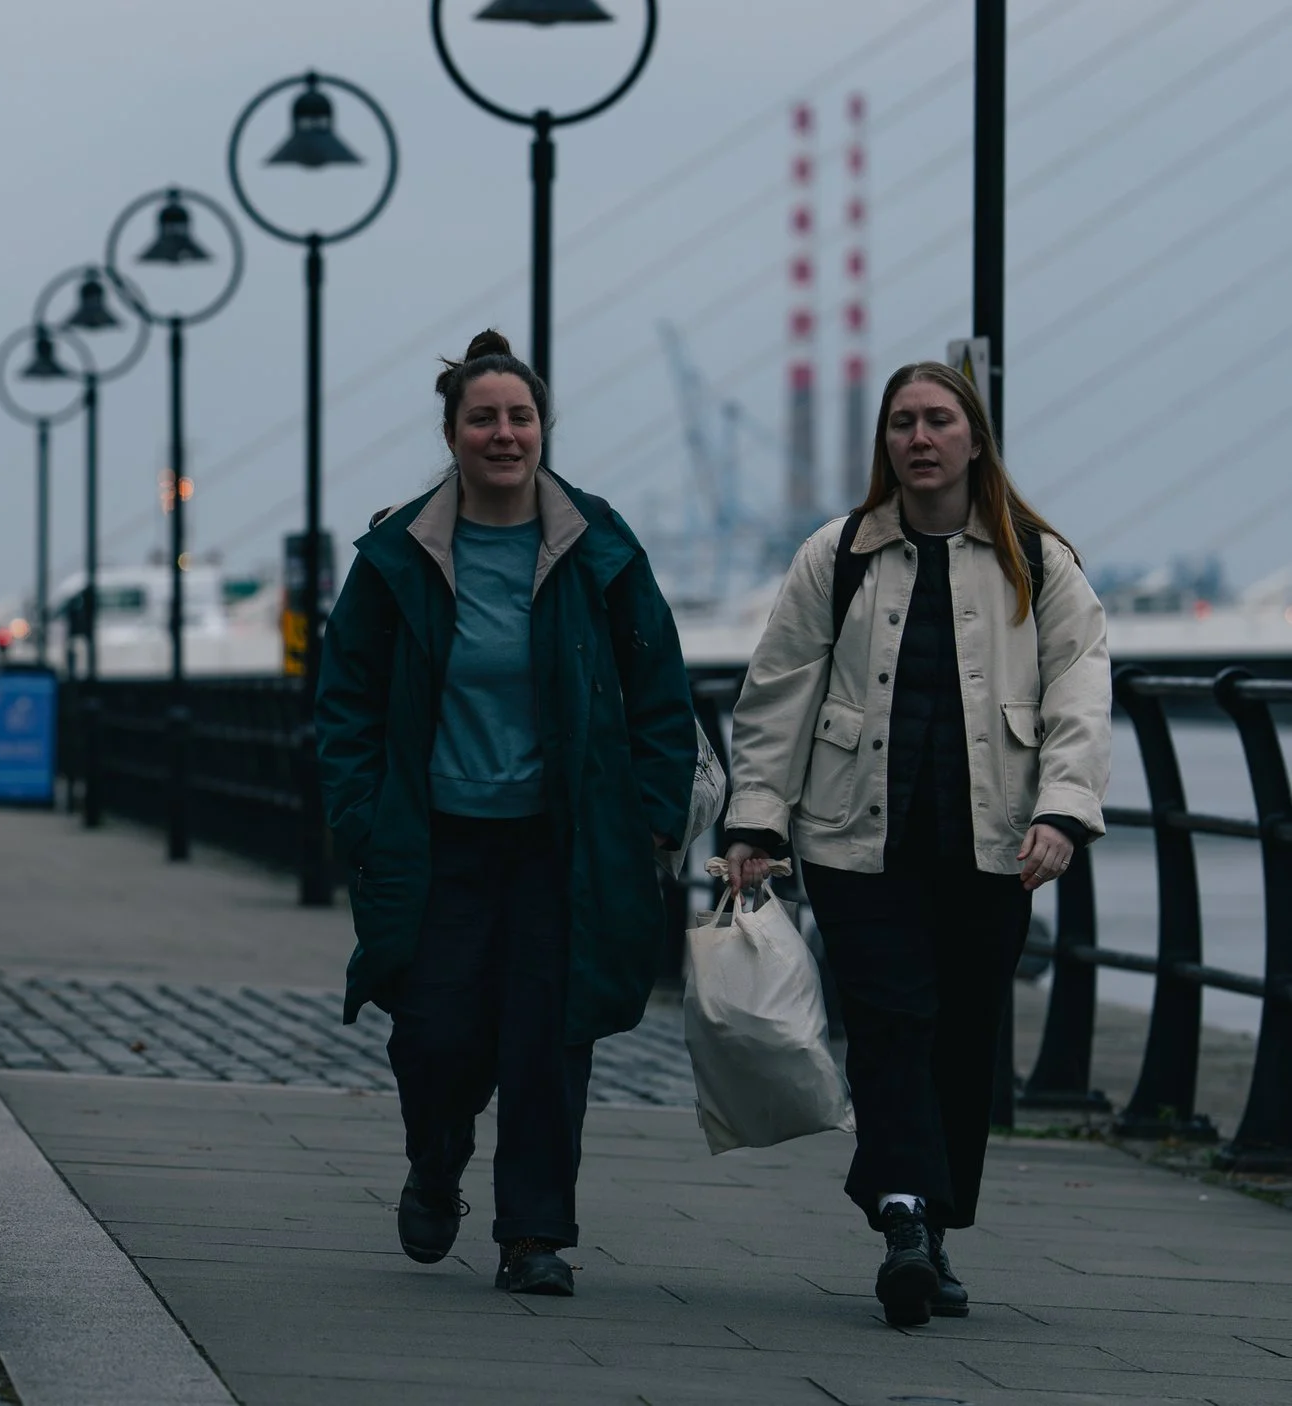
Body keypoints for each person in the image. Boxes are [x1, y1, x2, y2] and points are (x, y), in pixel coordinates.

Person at [721, 361, 1110, 1328]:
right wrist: (756, 821)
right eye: (902, 423)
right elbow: (777, 693)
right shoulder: (838, 555)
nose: (920, 438)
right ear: (884, 443)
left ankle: (935, 1226)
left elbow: (1080, 690)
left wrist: (1063, 810)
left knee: (966, 1032)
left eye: (939, 420)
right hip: (859, 838)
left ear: (975, 439)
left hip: (993, 841)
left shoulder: (1039, 558)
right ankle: (902, 1218)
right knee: (891, 1020)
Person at [315, 329, 697, 1297]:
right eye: (482, 417)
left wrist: (651, 816)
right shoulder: (399, 552)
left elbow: (658, 686)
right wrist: (359, 815)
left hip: (561, 839)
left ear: (543, 428)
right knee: (433, 1030)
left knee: (546, 1036)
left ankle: (534, 1233)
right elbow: (346, 696)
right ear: (451, 432)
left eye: (519, 416)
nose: (502, 433)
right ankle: (436, 1160)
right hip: (433, 834)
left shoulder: (597, 543)